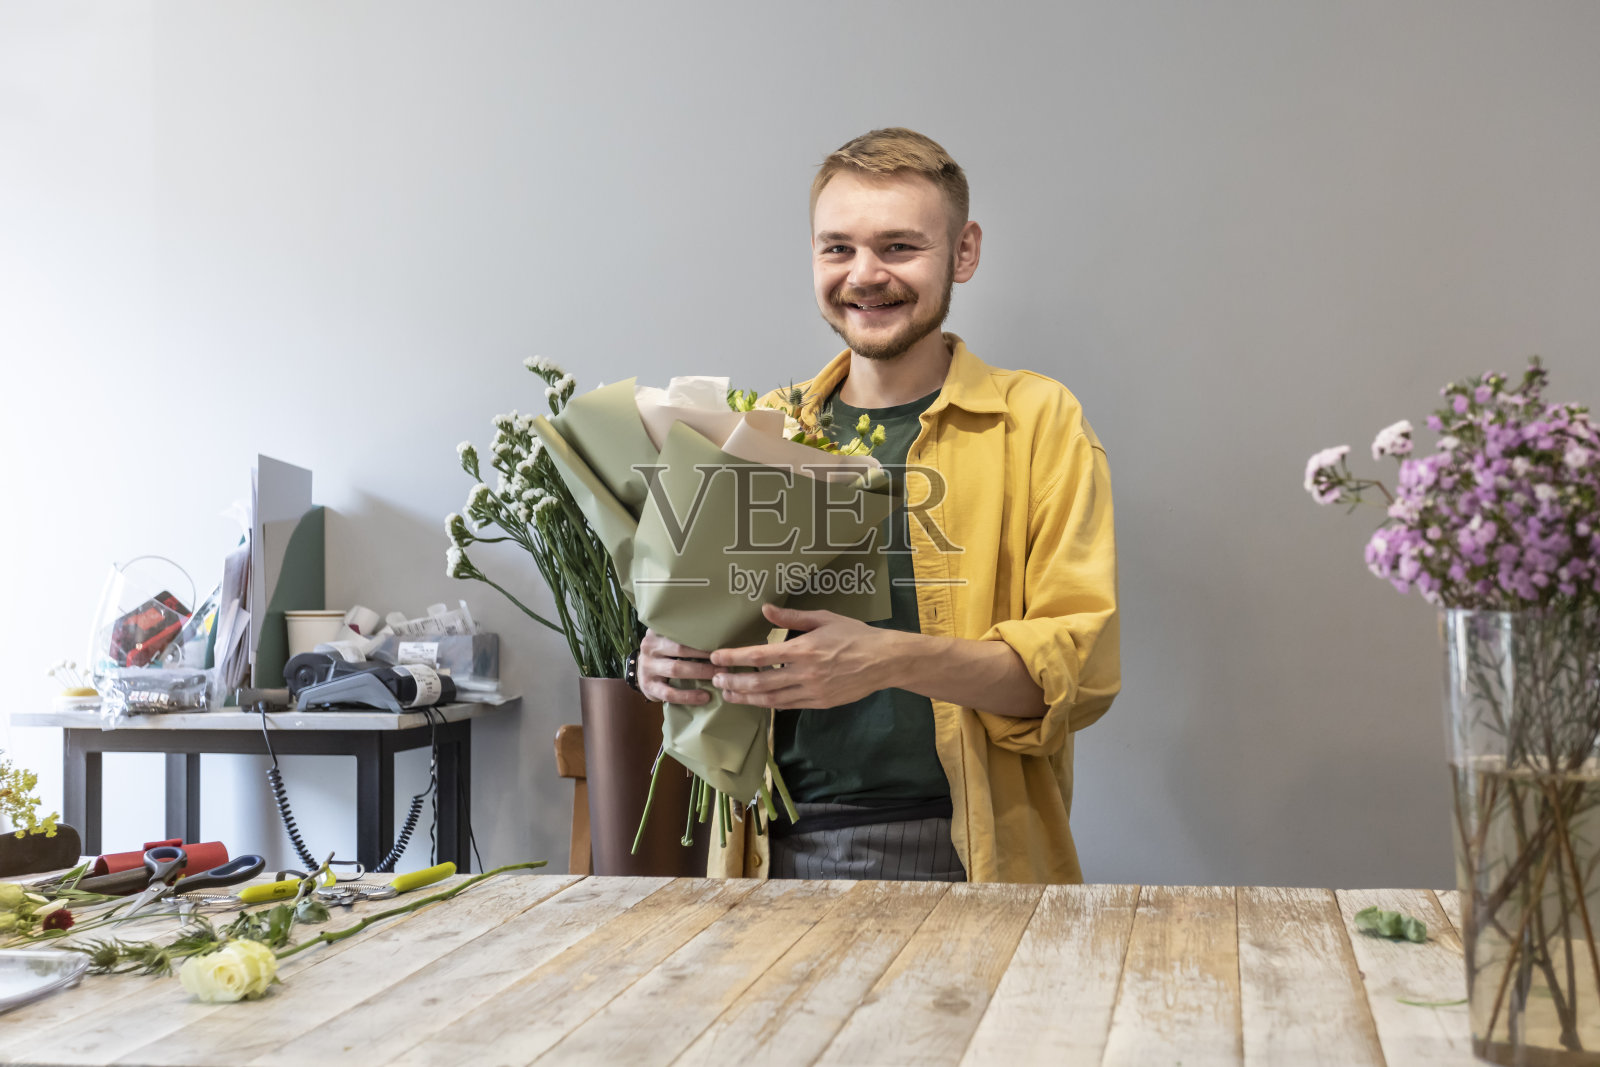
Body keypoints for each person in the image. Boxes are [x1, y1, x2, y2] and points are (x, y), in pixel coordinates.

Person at [632, 127, 1120, 884]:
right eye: (838, 248)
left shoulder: (1038, 422)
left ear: (964, 253)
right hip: (766, 852)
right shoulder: (765, 423)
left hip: (964, 850)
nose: (865, 275)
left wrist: (887, 660)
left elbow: (1076, 676)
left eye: (899, 247)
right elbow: (727, 634)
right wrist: (668, 660)